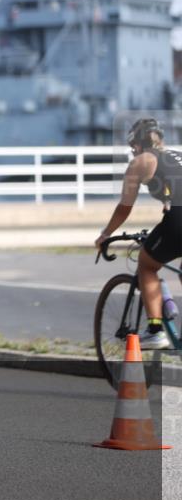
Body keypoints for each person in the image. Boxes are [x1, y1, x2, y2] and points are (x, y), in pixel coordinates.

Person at [95, 118, 182, 349]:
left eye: (132, 145)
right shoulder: (174, 156)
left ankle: (155, 330)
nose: (132, 150)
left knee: (147, 264)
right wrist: (167, 201)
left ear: (137, 144)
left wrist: (105, 234)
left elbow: (125, 207)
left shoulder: (140, 162)